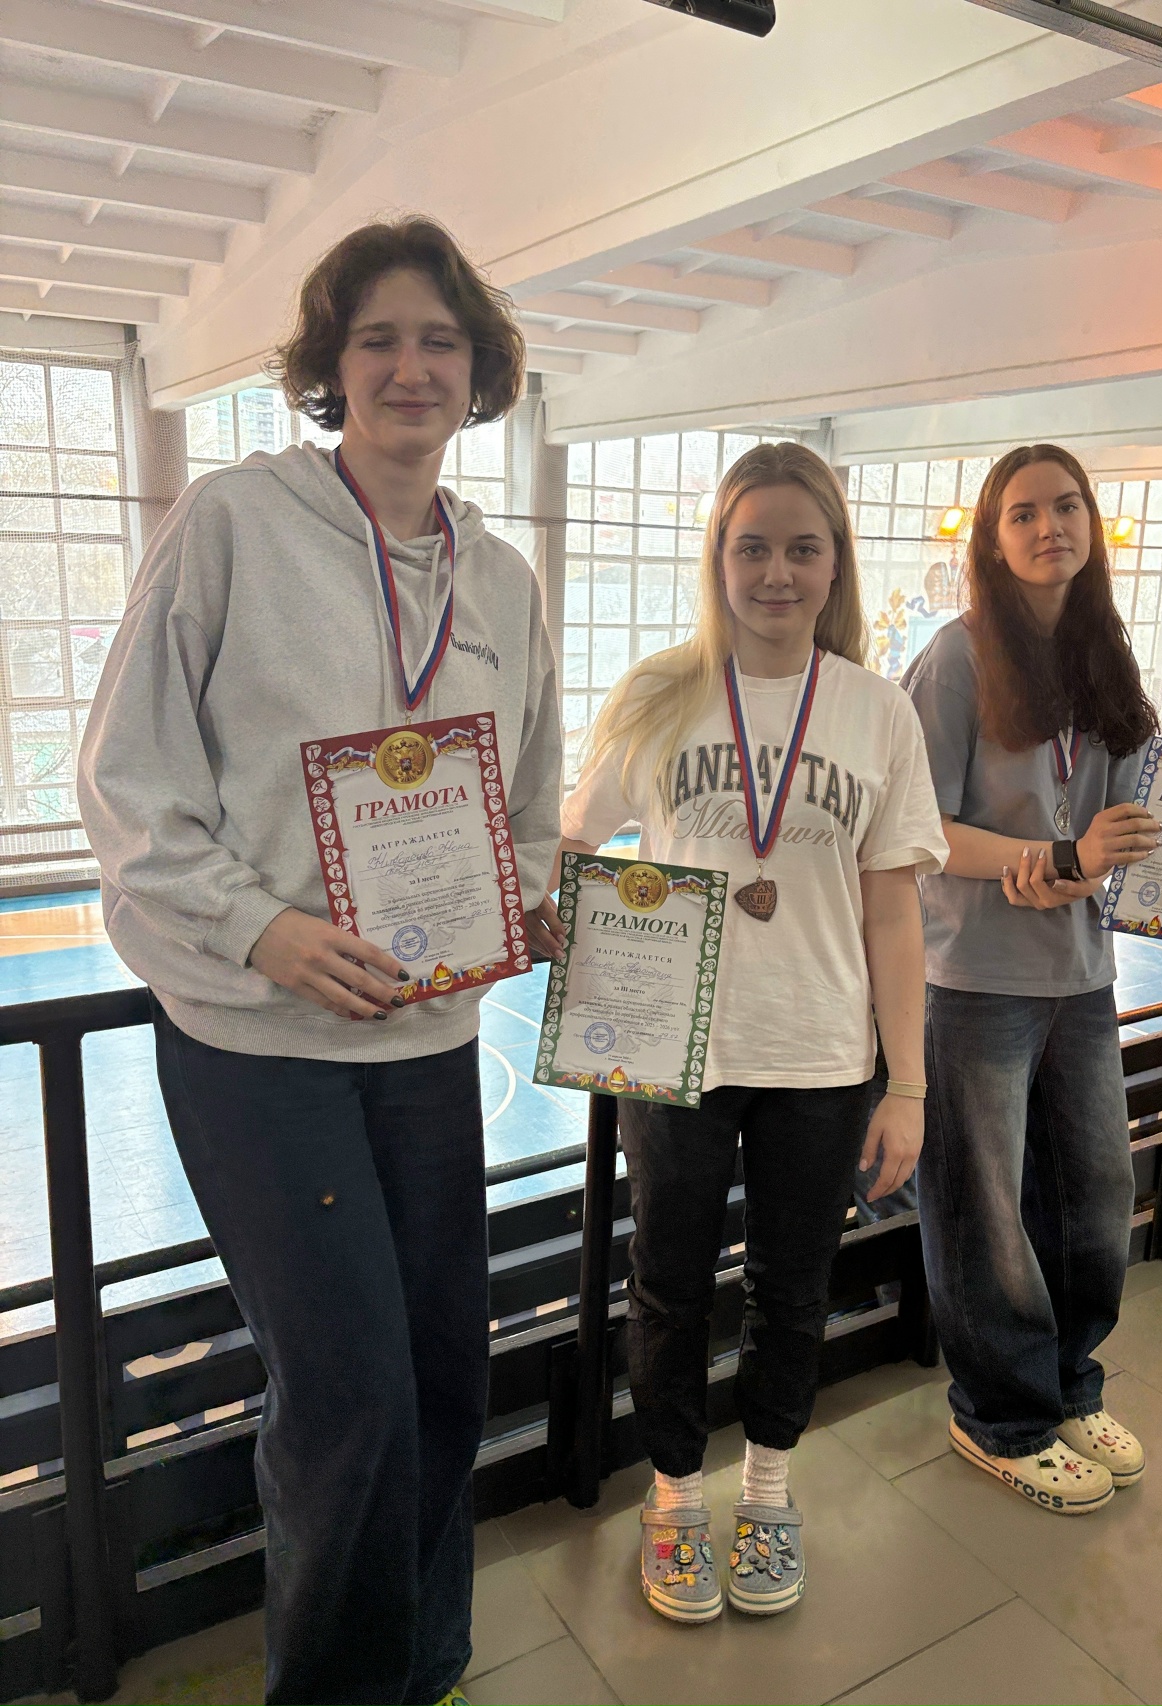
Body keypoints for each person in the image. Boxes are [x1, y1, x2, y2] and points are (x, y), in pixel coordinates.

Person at [78, 218, 563, 1706]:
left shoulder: (504, 584)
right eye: (379, 339)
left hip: (425, 1049)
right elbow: (127, 783)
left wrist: (518, 903)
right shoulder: (233, 523)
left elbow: (530, 807)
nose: (412, 367)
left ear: (478, 370)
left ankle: (424, 1662)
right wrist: (262, 929)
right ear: (330, 366)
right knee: (348, 1401)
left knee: (444, 1375)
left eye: (440, 341)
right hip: (259, 1048)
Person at [541, 443, 948, 1621]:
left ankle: (767, 1486)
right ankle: (674, 1490)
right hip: (671, 1053)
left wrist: (908, 1082)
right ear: (716, 558)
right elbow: (575, 837)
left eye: (801, 548)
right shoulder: (659, 693)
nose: (776, 571)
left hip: (819, 1053)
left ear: (835, 563)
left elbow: (892, 910)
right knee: (667, 1283)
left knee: (791, 1284)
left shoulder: (875, 709)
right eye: (751, 546)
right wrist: (545, 905)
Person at [901, 444, 1161, 1515]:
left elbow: (1124, 816)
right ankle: (998, 1416)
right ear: (992, 536)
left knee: (1097, 1195)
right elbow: (917, 828)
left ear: (1091, 523)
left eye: (1066, 505)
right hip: (974, 978)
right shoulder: (955, 658)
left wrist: (1150, 844)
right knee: (984, 1211)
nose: (1049, 525)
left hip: (1080, 973)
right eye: (1022, 512)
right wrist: (1051, 858)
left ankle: (1067, 1384)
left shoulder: (1105, 654)